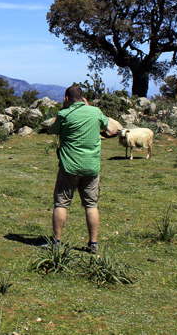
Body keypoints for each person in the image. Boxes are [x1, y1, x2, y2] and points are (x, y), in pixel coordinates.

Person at [46, 85, 116, 254]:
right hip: (91, 167)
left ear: (67, 99)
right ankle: (93, 243)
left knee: (61, 203)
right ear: (83, 98)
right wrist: (89, 107)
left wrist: (63, 109)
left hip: (69, 167)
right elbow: (107, 126)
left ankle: (57, 241)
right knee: (91, 205)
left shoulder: (64, 114)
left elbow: (52, 129)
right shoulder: (95, 112)